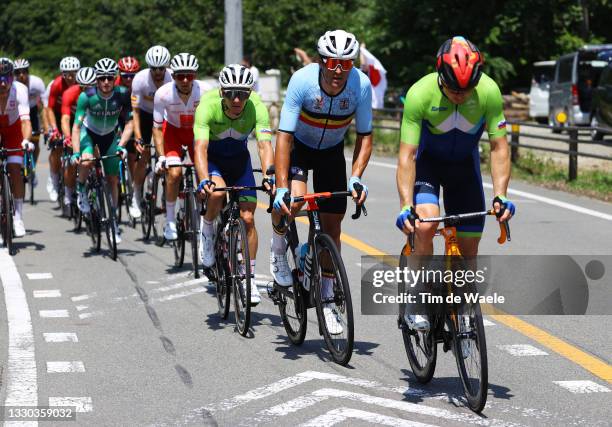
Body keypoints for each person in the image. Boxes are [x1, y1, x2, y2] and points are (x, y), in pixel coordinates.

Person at [395, 36, 516, 330]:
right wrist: (405, 205)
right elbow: (407, 156)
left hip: (464, 169)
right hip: (428, 167)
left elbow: (499, 147)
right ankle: (416, 298)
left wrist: (500, 195)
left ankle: (463, 309)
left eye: (467, 90)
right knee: (425, 226)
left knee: (469, 249)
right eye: (453, 89)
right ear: (440, 77)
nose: (460, 95)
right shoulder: (420, 94)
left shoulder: (488, 92)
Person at [272, 30, 373, 334]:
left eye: (346, 62)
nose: (338, 70)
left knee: (332, 227)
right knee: (294, 204)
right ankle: (278, 249)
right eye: (332, 62)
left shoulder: (361, 85)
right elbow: (284, 136)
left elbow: (365, 136)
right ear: (320, 61)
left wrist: (356, 177)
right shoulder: (302, 81)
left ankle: (328, 300)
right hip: (300, 150)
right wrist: (280, 187)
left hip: (331, 153)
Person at [194, 64, 274, 305]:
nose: (237, 99)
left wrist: (269, 175)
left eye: (243, 93)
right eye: (231, 93)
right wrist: (203, 179)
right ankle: (207, 231)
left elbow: (264, 145)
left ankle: (247, 277)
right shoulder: (207, 105)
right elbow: (200, 148)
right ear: (222, 92)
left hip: (240, 162)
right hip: (214, 161)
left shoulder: (256, 107)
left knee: (248, 218)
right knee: (217, 193)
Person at [151, 53, 212, 241]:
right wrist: (161, 156)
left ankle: (207, 219)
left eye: (190, 75)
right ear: (173, 75)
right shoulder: (163, 93)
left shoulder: (206, 91)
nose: (185, 80)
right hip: (173, 133)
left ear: (195, 75)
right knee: (175, 173)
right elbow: (157, 128)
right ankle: (169, 220)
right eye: (180, 76)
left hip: (197, 134)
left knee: (205, 177)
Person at [71, 58, 132, 244]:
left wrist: (122, 145)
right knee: (88, 161)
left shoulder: (122, 94)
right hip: (88, 134)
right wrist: (76, 152)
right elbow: (76, 127)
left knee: (113, 179)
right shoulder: (87, 96)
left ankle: (113, 220)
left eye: (110, 78)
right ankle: (81, 188)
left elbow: (130, 122)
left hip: (110, 137)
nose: (106, 82)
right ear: (96, 79)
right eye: (102, 78)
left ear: (115, 78)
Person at [131, 46, 172, 219]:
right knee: (143, 156)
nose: (157, 72)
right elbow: (136, 112)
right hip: (146, 116)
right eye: (153, 68)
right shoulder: (140, 80)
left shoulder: (171, 78)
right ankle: (136, 195)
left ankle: (166, 193)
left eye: (161, 68)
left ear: (166, 67)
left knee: (170, 157)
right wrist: (139, 137)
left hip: (165, 116)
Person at [0, 58, 35, 237]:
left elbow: (26, 121)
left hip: (14, 127)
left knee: (15, 168)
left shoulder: (20, 90)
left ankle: (18, 216)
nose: (3, 83)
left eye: (6, 77)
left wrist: (26, 140)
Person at [59, 67, 97, 211]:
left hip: (93, 125)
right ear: (78, 85)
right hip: (75, 125)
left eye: (91, 87)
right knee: (72, 162)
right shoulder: (70, 93)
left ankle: (98, 185)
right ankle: (69, 195)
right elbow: (65, 118)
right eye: (83, 87)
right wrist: (68, 137)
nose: (87, 90)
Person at [45, 56, 80, 202]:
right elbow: (50, 109)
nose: (70, 77)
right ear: (62, 74)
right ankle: (53, 178)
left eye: (74, 73)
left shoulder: (82, 83)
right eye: (67, 74)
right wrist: (54, 129)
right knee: (57, 147)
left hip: (76, 117)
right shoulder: (57, 84)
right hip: (60, 117)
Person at [13, 59, 46, 167]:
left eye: (24, 71)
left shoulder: (37, 83)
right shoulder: (12, 86)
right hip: (18, 112)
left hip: (32, 111)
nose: (21, 75)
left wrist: (46, 126)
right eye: (18, 72)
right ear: (14, 74)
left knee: (35, 142)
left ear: (28, 71)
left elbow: (44, 106)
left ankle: (33, 168)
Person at [359, 44, 387, 109]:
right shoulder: (373, 72)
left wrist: (362, 50)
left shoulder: (374, 71)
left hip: (371, 103)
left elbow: (363, 64)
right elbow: (363, 65)